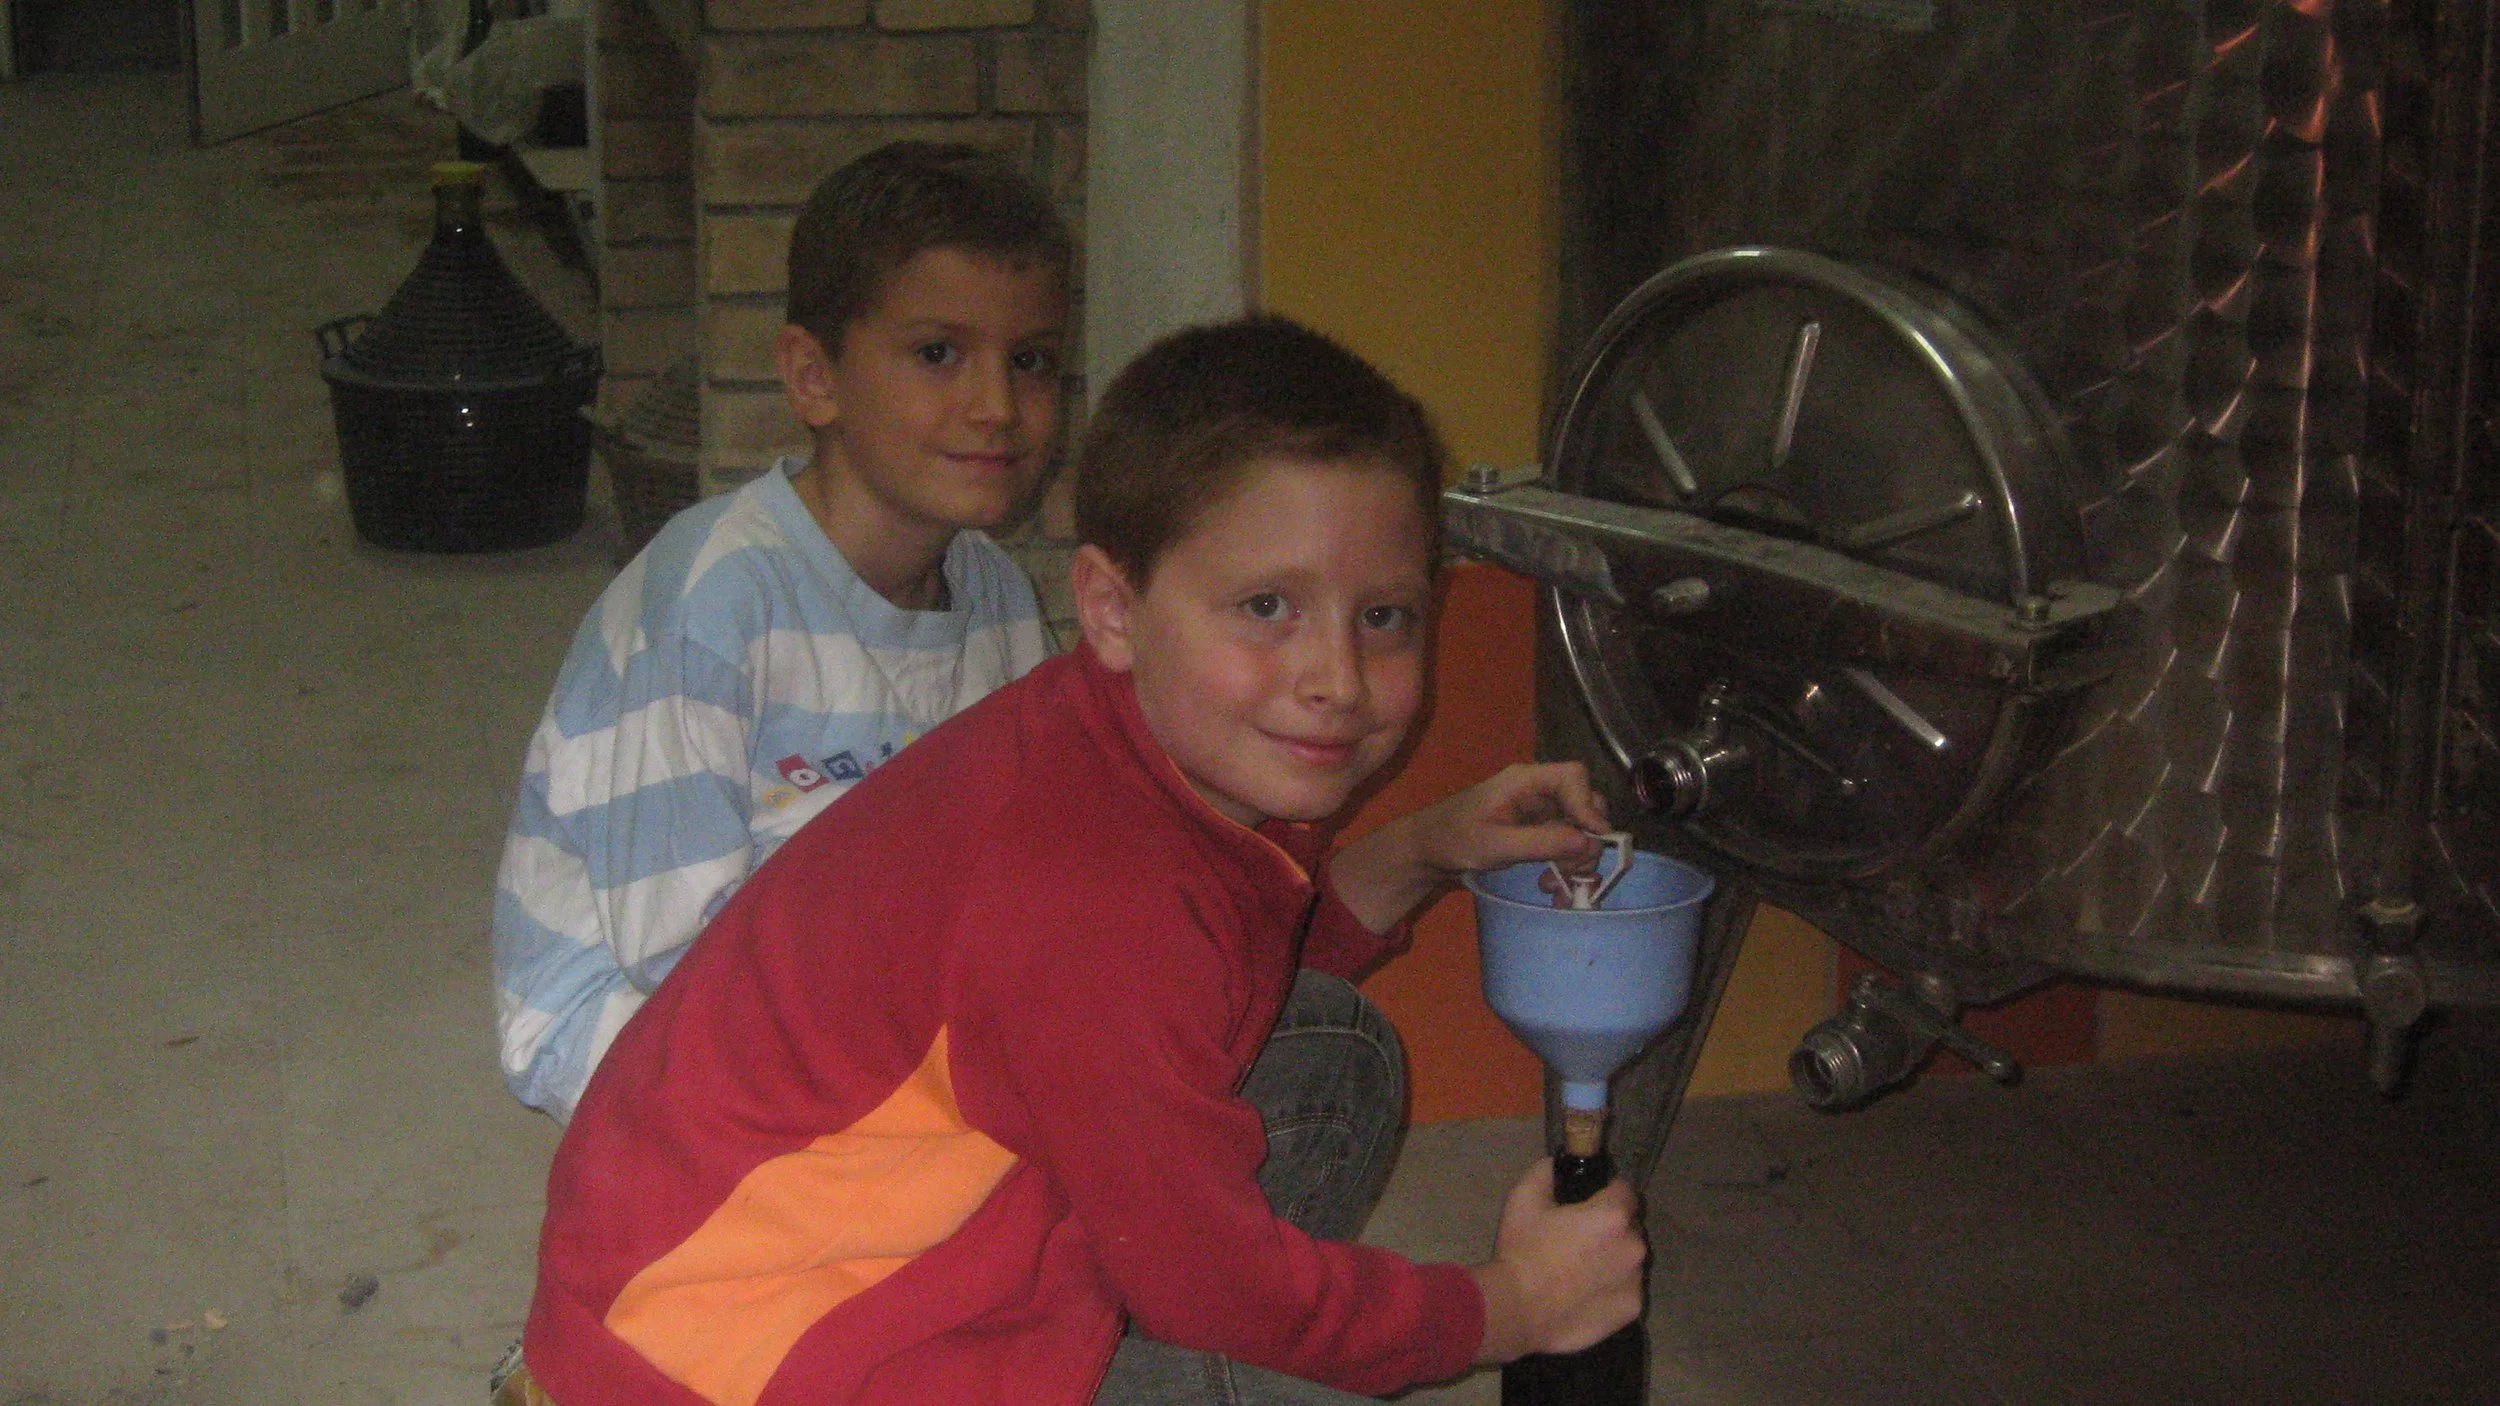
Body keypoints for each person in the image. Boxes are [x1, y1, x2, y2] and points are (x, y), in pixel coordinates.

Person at [501, 317, 1649, 1405]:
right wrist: (1508, 1306)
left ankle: (1104, 1321)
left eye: (1387, 616)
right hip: (722, 1363)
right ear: (1109, 605)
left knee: (1331, 1052)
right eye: (1267, 605)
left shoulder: (1129, 741)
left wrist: (1428, 846)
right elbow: (1223, 1277)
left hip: (740, 1268)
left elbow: (1229, 958)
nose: (1336, 678)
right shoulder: (1088, 898)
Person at [491, 141, 1070, 1122]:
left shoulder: (998, 599)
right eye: (938, 353)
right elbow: (675, 961)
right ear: (813, 377)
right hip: (643, 1030)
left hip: (856, 993)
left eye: (1031, 360)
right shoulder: (713, 606)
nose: (996, 405)